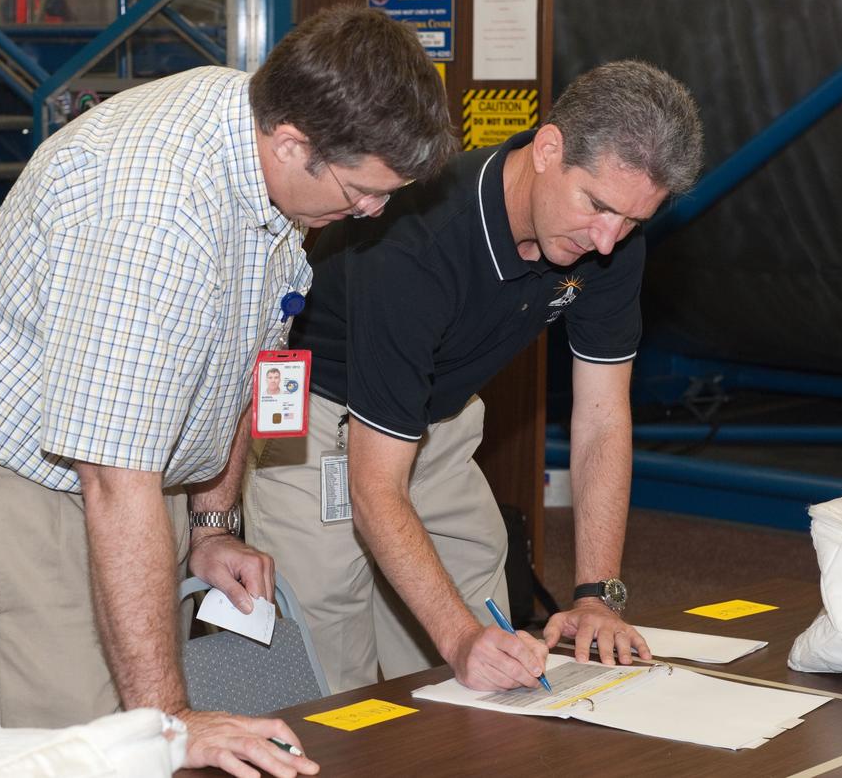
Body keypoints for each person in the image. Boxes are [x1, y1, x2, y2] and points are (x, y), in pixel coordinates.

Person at [0, 4, 455, 777]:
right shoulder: (157, 208)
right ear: (293, 143)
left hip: (127, 488)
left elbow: (241, 356)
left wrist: (212, 524)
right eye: (364, 190)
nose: (374, 212)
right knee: (76, 755)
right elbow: (113, 474)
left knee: (137, 739)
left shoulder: (265, 149)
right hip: (22, 493)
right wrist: (170, 721)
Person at [245, 60, 704, 695]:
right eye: (597, 206)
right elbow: (376, 488)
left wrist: (596, 594)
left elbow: (602, 418)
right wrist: (458, 637)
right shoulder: (417, 239)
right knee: (331, 670)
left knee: (493, 666)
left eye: (633, 221)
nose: (608, 241)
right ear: (548, 149)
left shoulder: (612, 237)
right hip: (319, 420)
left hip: (438, 420)